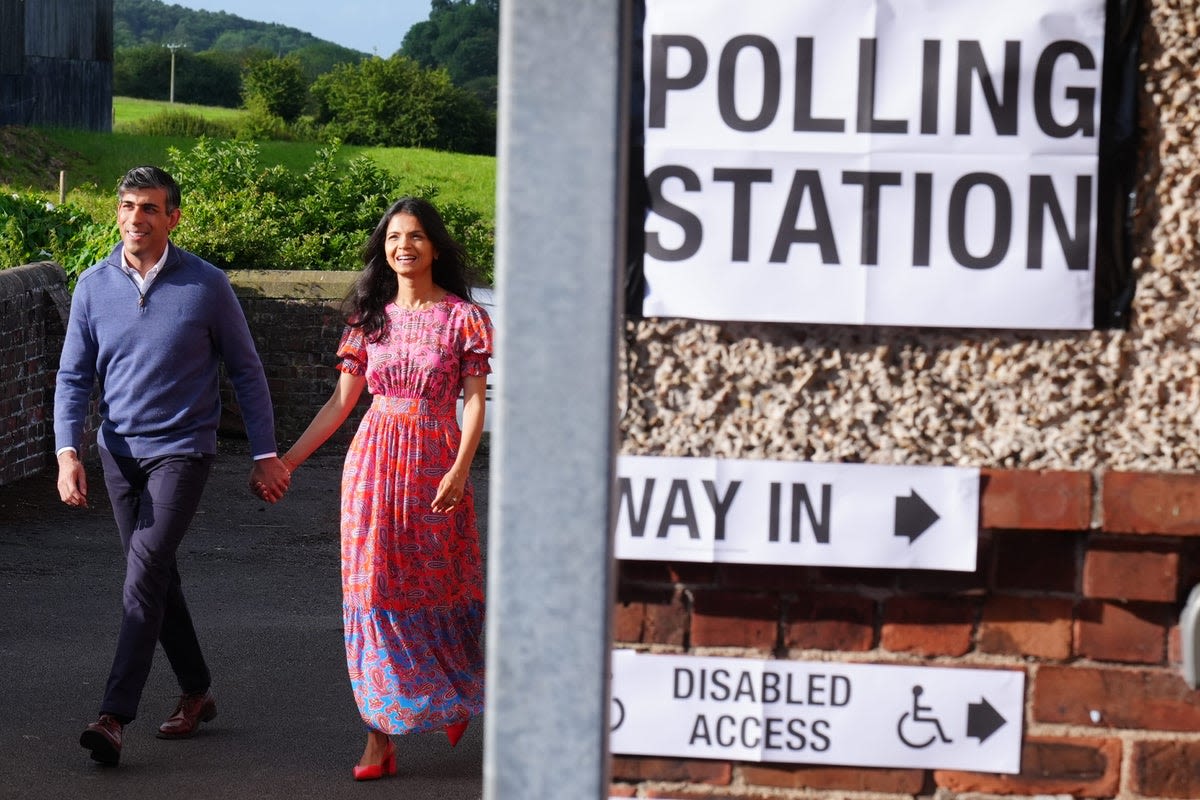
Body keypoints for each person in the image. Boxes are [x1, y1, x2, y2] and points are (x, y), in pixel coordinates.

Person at [54, 165, 292, 766]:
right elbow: (74, 376)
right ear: (118, 213)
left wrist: (265, 454)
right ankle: (197, 691)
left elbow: (246, 369)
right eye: (128, 206)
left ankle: (113, 716)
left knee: (144, 569)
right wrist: (67, 453)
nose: (137, 218)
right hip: (118, 453)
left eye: (151, 208)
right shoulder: (92, 285)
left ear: (173, 218)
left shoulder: (206, 285)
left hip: (183, 449)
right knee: (157, 575)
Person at [280, 196, 491, 780]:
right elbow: (342, 403)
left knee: (438, 587)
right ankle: (379, 736)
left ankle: (451, 694)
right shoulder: (368, 320)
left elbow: (474, 402)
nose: (405, 246)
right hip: (372, 467)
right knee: (372, 595)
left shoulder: (463, 319)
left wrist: (460, 467)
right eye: (395, 236)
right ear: (383, 248)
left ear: (436, 246)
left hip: (436, 466)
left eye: (417, 235)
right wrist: (290, 462)